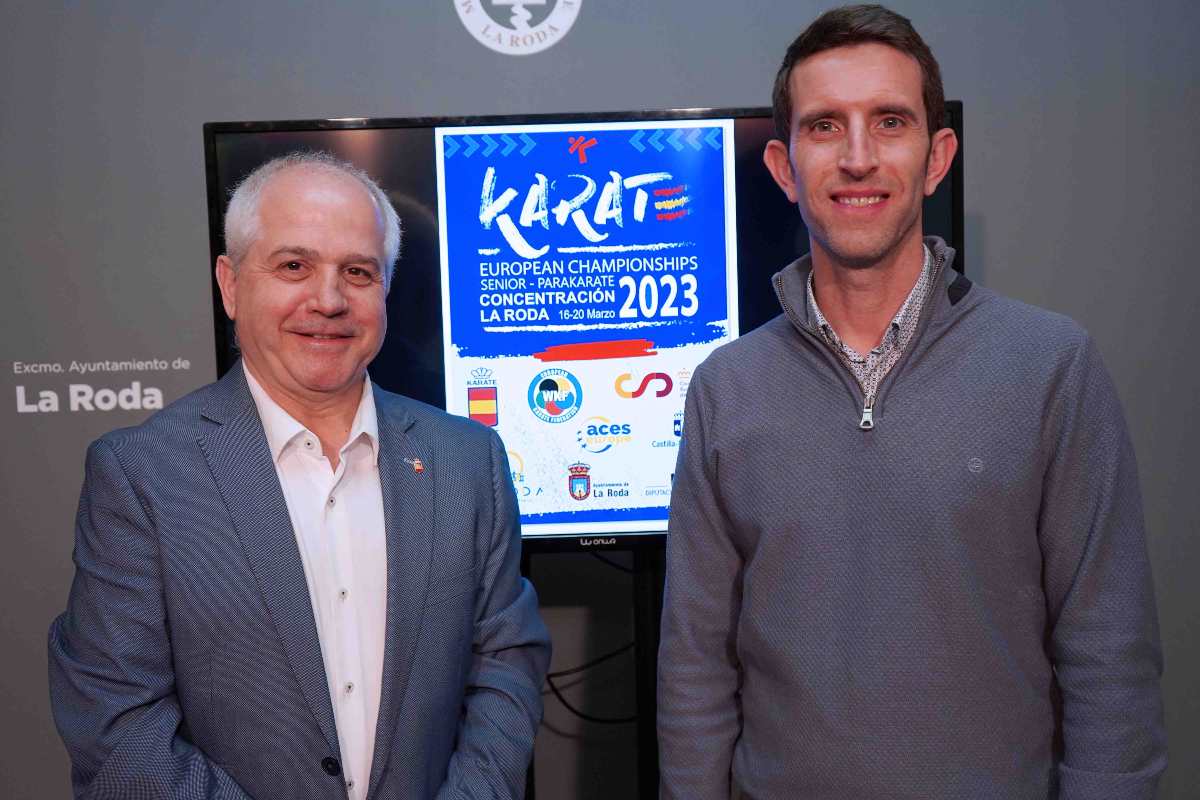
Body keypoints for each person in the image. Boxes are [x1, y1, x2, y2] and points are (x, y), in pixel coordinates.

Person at [657, 5, 1166, 799]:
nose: (858, 158)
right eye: (825, 126)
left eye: (889, 122)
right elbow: (695, 671)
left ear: (936, 158)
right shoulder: (727, 388)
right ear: (786, 169)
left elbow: (1111, 658)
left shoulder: (1051, 367)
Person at [48, 151, 550, 800]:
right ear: (230, 285)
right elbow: (117, 728)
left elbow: (506, 668)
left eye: (358, 272)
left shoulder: (468, 461)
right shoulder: (141, 476)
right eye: (294, 266)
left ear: (385, 290)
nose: (329, 299)